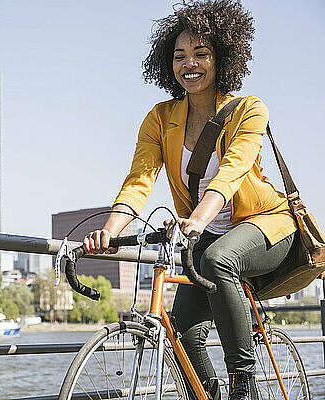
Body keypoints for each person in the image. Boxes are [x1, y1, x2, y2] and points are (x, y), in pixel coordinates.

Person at [82, 1, 297, 399]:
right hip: (204, 235)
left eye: (201, 53)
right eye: (180, 56)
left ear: (222, 57)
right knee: (181, 330)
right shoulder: (160, 118)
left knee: (219, 260)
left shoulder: (249, 109)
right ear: (169, 63)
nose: (190, 64)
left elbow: (232, 169)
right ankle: (211, 393)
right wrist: (109, 232)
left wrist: (197, 218)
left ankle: (243, 381)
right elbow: (140, 180)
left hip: (267, 223)